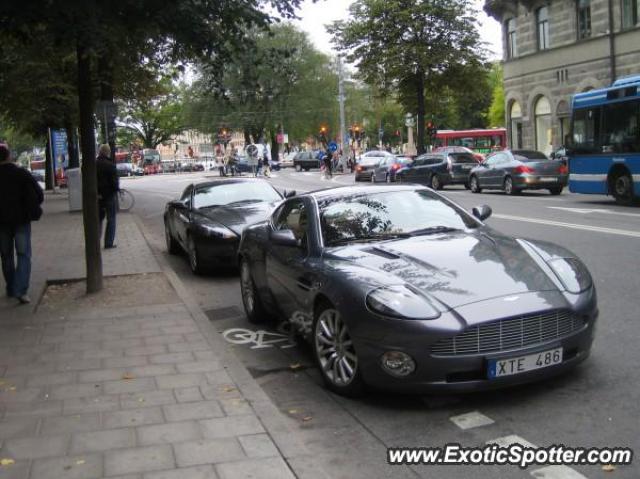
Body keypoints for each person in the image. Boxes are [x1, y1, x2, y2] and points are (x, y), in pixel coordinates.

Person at [0, 144, 43, 304]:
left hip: (2, 223)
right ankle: (21, 289)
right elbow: (38, 194)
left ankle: (11, 287)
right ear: (8, 156)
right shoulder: (21, 173)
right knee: (23, 254)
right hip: (21, 221)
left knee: (6, 256)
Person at [96, 144, 119, 249]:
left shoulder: (94, 164)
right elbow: (114, 182)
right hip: (109, 195)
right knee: (111, 218)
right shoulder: (110, 165)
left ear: (100, 152)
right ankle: (108, 243)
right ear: (108, 152)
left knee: (98, 219)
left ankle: (96, 242)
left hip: (97, 195)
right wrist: (116, 190)